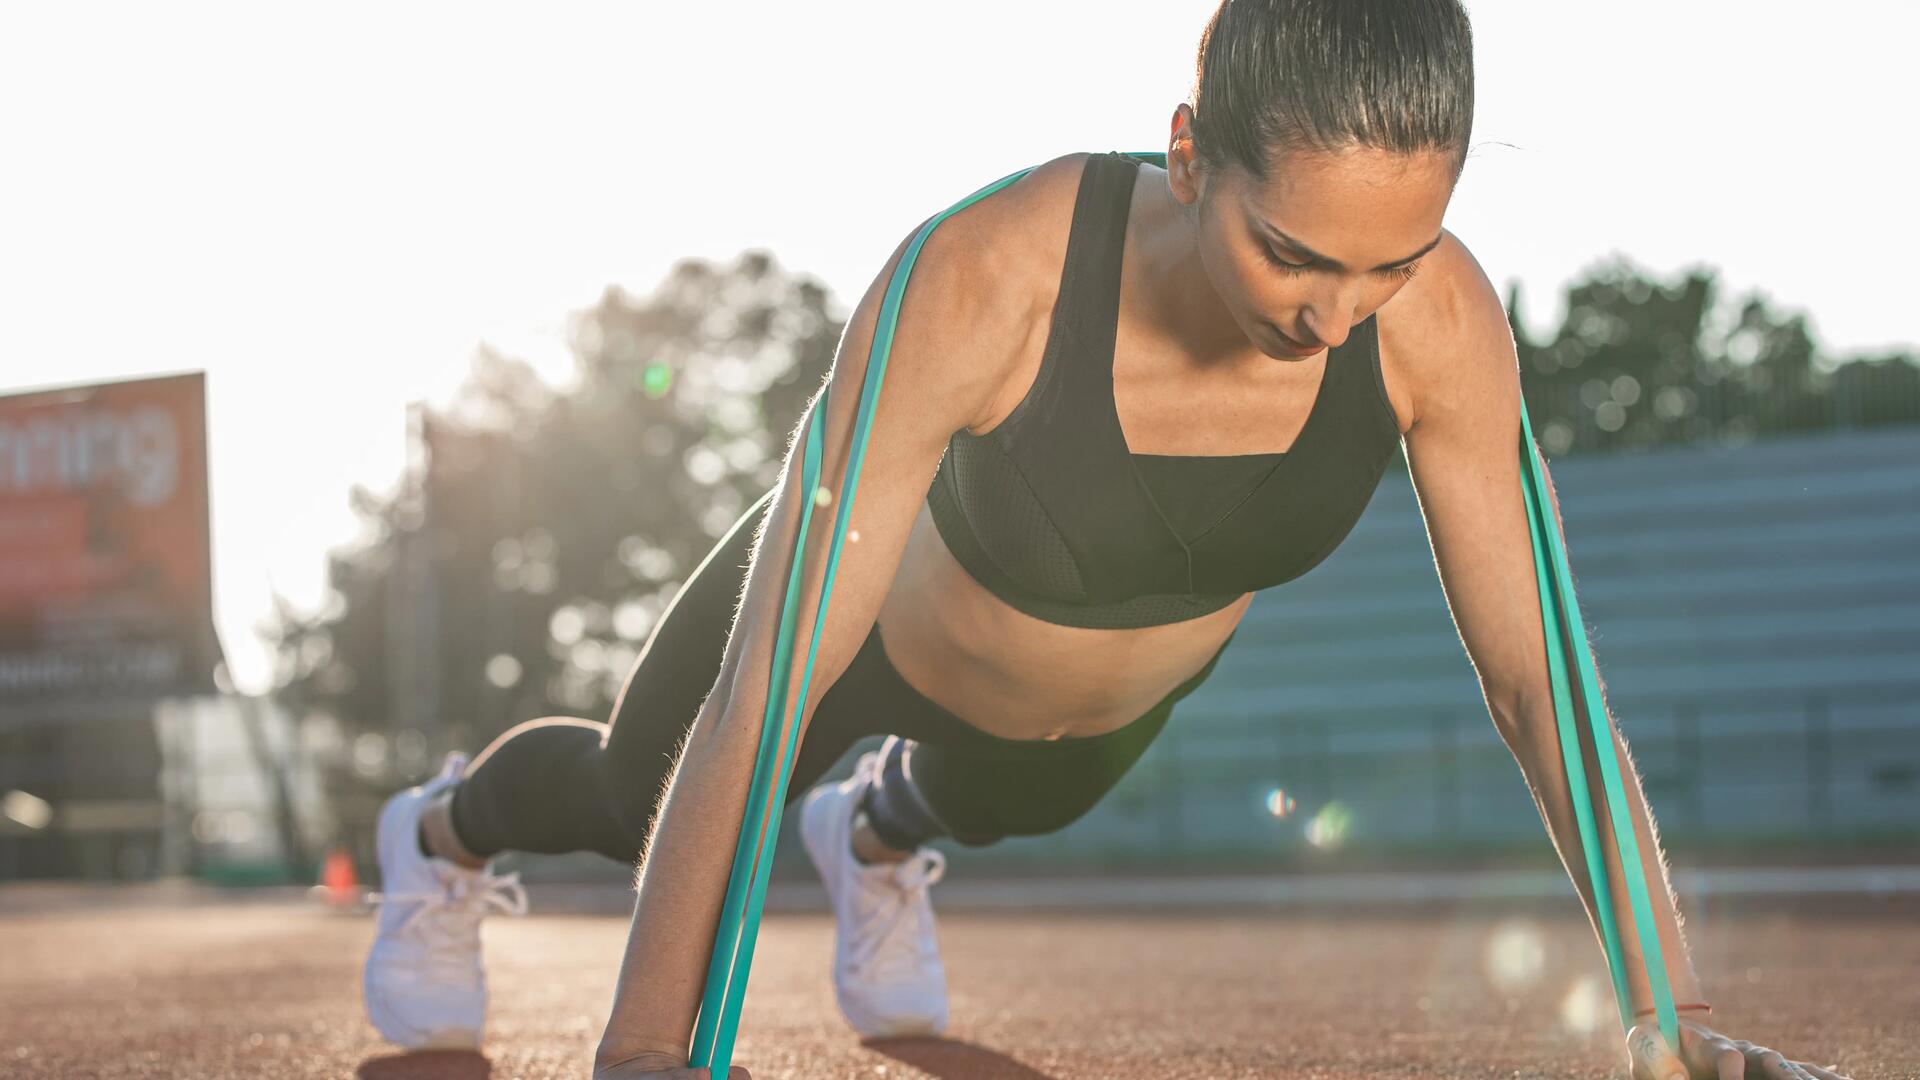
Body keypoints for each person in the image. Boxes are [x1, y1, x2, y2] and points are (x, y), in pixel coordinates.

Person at [362, 3, 1852, 1078]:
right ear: (1193, 154)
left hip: (1084, 725)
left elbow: (1543, 690)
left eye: (1392, 261)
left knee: (1003, 803)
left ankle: (872, 837)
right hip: (862, 637)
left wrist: (1671, 1015)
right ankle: (440, 835)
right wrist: (645, 1052)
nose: (1335, 317)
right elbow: (764, 689)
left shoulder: (1442, 328)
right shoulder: (982, 276)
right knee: (638, 802)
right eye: (1295, 254)